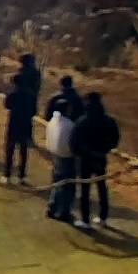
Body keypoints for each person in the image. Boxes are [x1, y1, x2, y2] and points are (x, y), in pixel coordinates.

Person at [71, 92, 121, 230]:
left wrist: (80, 153)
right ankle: (103, 218)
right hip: (100, 157)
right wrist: (105, 150)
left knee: (85, 190)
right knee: (101, 187)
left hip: (85, 159)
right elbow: (115, 139)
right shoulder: (109, 121)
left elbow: (74, 143)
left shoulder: (82, 122)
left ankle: (85, 219)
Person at [44, 76, 84, 222]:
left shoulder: (54, 120)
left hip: (55, 150)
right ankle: (64, 212)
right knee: (68, 183)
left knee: (56, 179)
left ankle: (52, 206)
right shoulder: (70, 124)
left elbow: (47, 118)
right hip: (67, 152)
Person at [2, 73, 36, 185]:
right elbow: (34, 111)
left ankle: (7, 175)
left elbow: (7, 105)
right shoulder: (31, 94)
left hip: (14, 123)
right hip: (26, 124)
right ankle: (22, 176)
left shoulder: (12, 94)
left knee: (10, 150)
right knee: (23, 151)